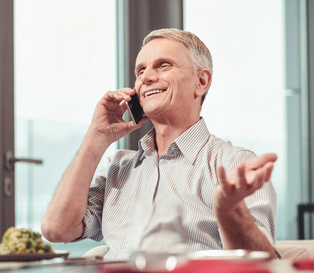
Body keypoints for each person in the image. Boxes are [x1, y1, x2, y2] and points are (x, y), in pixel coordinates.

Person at [41, 28, 279, 260]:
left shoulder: (233, 165)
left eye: (163, 65)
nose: (146, 78)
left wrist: (230, 210)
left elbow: (262, 264)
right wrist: (97, 137)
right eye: (140, 70)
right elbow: (57, 229)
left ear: (201, 81)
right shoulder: (118, 167)